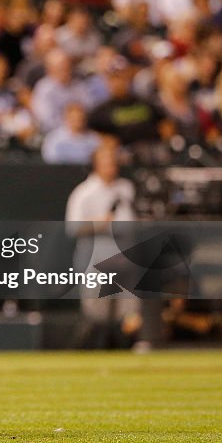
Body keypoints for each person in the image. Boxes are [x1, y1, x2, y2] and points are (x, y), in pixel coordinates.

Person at [65, 144, 141, 349]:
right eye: (105, 163)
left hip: (125, 259)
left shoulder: (126, 188)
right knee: (97, 317)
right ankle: (84, 353)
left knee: (128, 314)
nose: (111, 167)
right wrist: (99, 223)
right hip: (96, 261)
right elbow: (72, 227)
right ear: (95, 165)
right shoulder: (84, 192)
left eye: (113, 162)